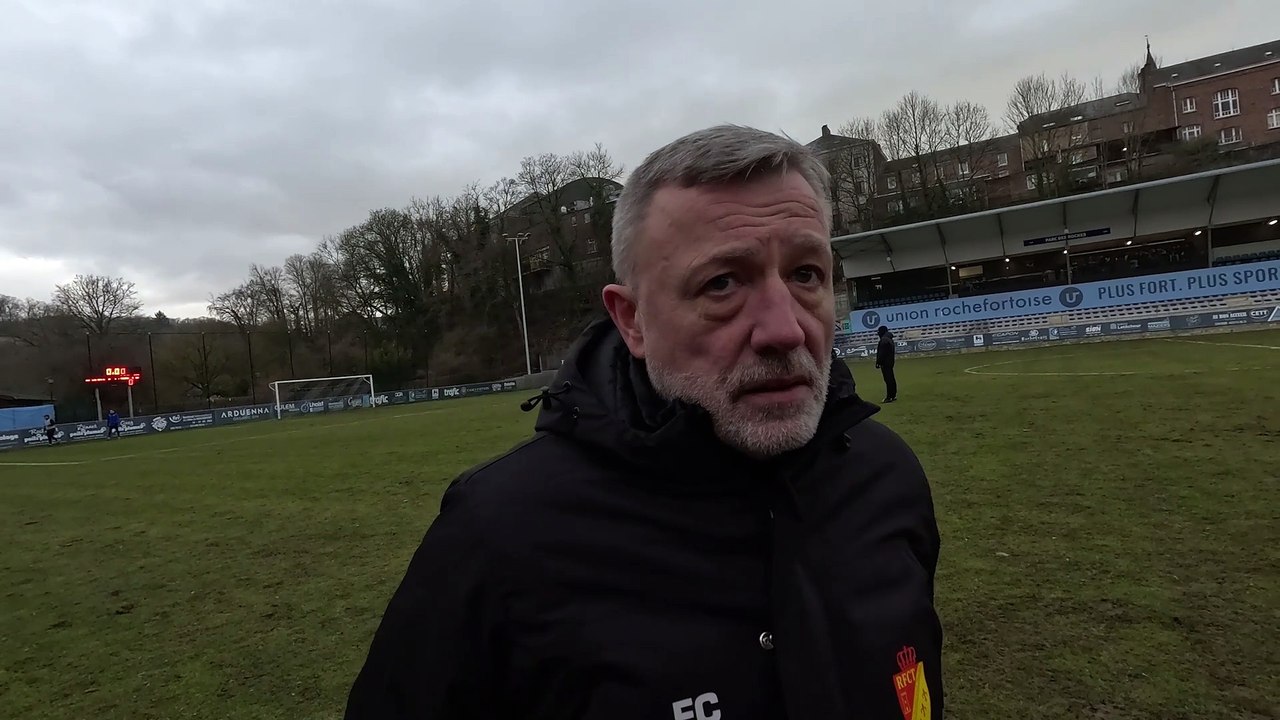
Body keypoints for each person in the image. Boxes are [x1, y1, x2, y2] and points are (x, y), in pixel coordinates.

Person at [345, 125, 943, 720]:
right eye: (722, 283)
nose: (784, 329)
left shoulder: (886, 478)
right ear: (632, 320)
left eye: (806, 274)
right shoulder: (499, 535)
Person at [875, 325, 898, 403]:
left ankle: (889, 397)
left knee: (888, 380)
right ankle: (893, 395)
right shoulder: (889, 339)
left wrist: (878, 362)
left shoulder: (884, 340)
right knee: (891, 379)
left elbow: (881, 353)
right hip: (890, 362)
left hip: (885, 363)